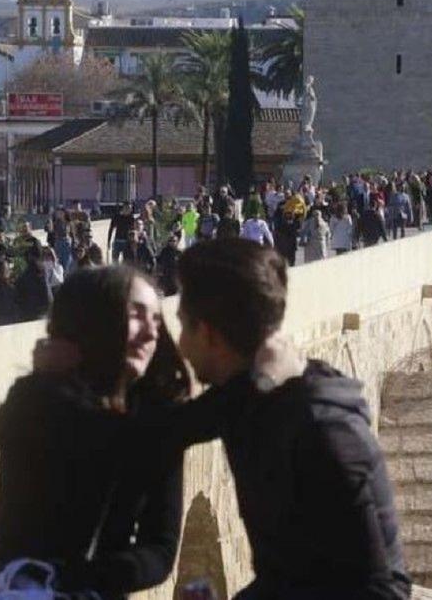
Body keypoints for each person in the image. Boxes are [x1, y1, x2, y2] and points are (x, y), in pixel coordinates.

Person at [163, 240, 411, 599]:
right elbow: (168, 430)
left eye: (184, 328)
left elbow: (382, 591)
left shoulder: (323, 430)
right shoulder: (250, 396)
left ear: (210, 334)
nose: (182, 346)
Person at [0, 266, 190, 599]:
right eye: (136, 316)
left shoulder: (153, 420)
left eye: (156, 321)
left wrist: (82, 578)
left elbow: (160, 551)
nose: (150, 334)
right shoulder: (36, 401)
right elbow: (95, 441)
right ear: (94, 322)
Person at [14, 247, 52, 323]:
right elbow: (48, 296)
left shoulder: (23, 276)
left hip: (28, 313)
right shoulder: (41, 274)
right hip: (39, 312)